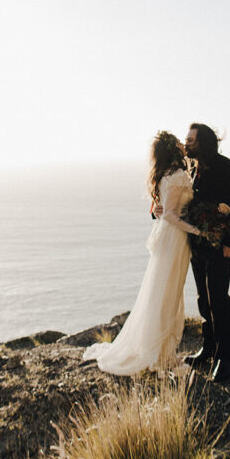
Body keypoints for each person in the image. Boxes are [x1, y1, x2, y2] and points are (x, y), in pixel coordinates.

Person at [83, 131, 202, 375]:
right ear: (173, 149)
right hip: (176, 238)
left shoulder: (165, 175)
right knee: (168, 293)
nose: (183, 144)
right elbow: (169, 213)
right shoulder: (178, 175)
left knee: (162, 292)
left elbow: (164, 210)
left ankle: (158, 349)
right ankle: (161, 354)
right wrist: (197, 231)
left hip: (169, 237)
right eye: (179, 142)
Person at [182, 123, 230, 382]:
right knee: (202, 298)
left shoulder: (228, 169)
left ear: (204, 143)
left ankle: (225, 359)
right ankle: (208, 349)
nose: (186, 143)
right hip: (196, 245)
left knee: (218, 299)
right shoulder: (192, 169)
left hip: (221, 246)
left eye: (191, 139)